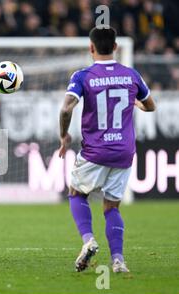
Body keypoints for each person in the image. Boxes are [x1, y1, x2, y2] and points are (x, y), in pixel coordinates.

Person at [58, 27, 156, 273]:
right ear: (115, 47)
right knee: (112, 207)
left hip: (95, 151)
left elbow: (66, 109)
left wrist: (63, 135)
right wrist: (137, 105)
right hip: (124, 152)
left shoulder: (83, 76)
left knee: (76, 193)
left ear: (91, 48)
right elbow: (150, 105)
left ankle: (89, 240)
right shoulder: (131, 74)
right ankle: (118, 260)